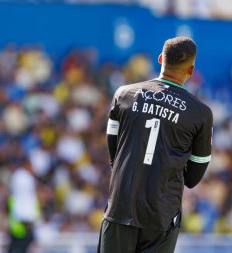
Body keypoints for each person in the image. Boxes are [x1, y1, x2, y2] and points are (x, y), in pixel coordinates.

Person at [97, 37, 213, 253]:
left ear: (160, 59)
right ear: (191, 69)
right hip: (162, 214)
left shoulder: (124, 94)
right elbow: (193, 177)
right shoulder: (200, 113)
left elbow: (113, 152)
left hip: (121, 206)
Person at [7, 159, 40, 253]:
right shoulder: (23, 176)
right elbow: (25, 199)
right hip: (23, 216)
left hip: (20, 215)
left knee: (20, 244)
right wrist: (30, 216)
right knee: (22, 244)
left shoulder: (18, 176)